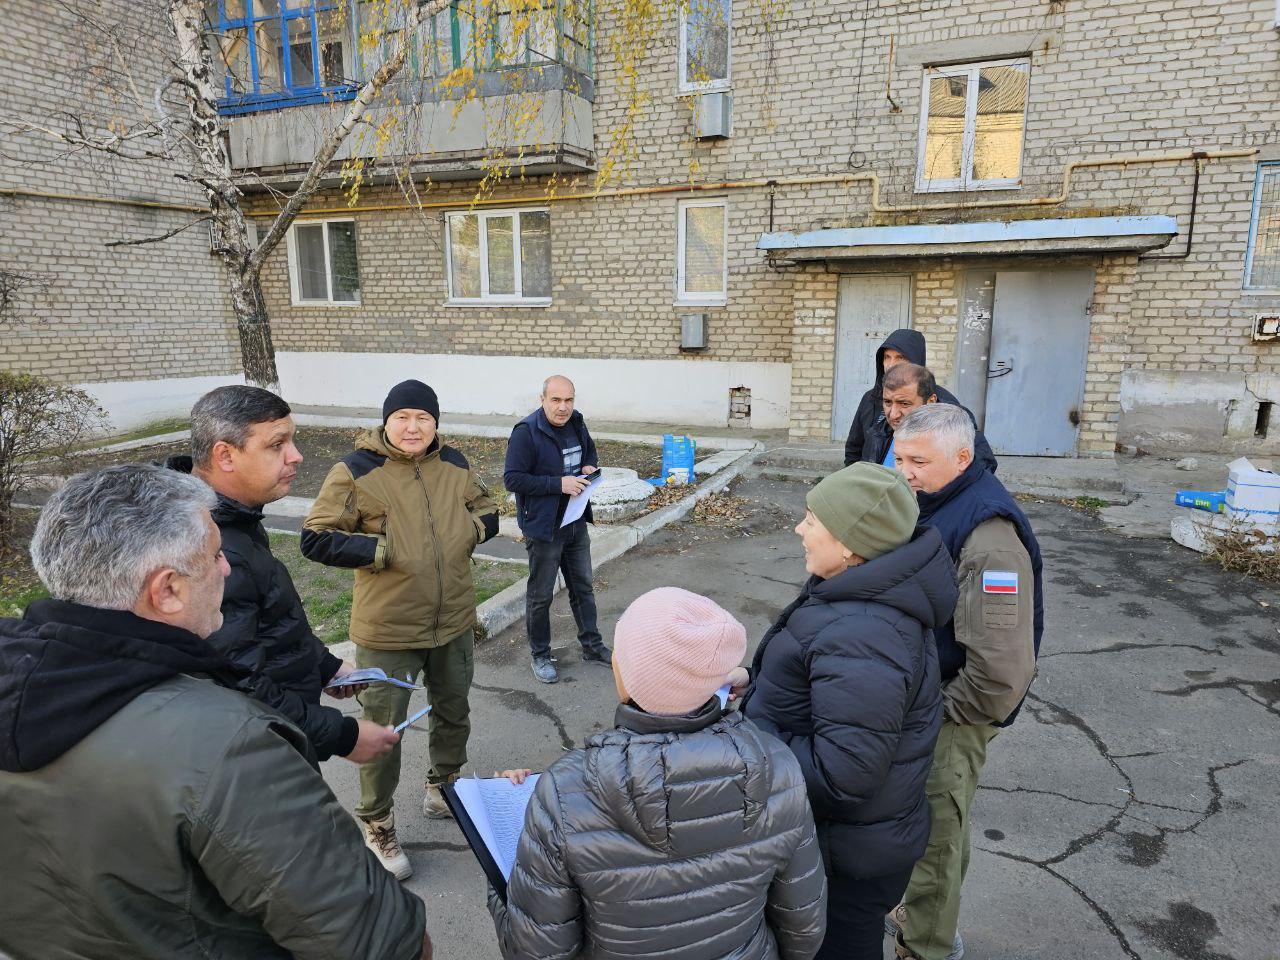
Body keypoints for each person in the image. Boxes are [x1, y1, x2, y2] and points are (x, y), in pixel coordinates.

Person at [0, 465, 429, 960]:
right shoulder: (227, 744)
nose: (226, 568)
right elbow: (378, 942)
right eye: (214, 554)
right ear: (167, 591)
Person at [488, 587, 828, 960]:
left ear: (627, 674)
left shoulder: (564, 793)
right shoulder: (778, 767)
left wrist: (499, 878)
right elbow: (803, 929)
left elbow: (535, 951)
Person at [741, 463, 958, 960]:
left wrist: (749, 734)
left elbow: (845, 773)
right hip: (851, 844)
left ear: (849, 544)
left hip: (846, 857)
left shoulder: (865, 630)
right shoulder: (856, 593)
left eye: (813, 520)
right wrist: (753, 688)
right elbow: (829, 697)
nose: (800, 528)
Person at [303, 379, 498, 881]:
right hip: (388, 629)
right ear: (386, 420)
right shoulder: (356, 470)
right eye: (403, 417)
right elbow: (316, 537)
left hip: (452, 618)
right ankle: (377, 821)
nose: (413, 427)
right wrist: (381, 552)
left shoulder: (453, 463)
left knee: (454, 711)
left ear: (437, 423)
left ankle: (444, 785)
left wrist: (471, 531)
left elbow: (487, 507)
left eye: (424, 418)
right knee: (382, 732)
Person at [169, 385, 397, 765]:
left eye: (292, 441)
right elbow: (237, 683)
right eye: (278, 444)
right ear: (225, 454)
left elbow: (266, 623)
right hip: (260, 758)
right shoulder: (205, 547)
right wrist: (342, 735)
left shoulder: (231, 519)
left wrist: (324, 666)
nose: (297, 456)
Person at [888, 404, 1043, 960]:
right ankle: (921, 916)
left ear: (962, 457)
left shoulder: (988, 535)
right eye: (900, 457)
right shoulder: (942, 500)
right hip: (933, 702)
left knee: (937, 838)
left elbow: (1000, 668)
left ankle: (925, 946)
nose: (904, 471)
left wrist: (944, 712)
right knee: (928, 830)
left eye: (917, 461)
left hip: (956, 714)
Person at [503, 375, 612, 684]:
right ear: (542, 399)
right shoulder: (527, 432)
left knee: (583, 587)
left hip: (575, 520)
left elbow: (588, 452)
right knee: (541, 596)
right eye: (556, 400)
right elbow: (513, 479)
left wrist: (589, 466)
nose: (563, 407)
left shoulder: (577, 423)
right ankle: (540, 655)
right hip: (544, 527)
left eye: (568, 400)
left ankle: (592, 646)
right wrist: (559, 484)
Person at [842, 329, 997, 474]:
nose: (890, 365)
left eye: (900, 357)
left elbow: (981, 463)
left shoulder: (947, 407)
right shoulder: (871, 398)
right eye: (886, 357)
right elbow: (854, 450)